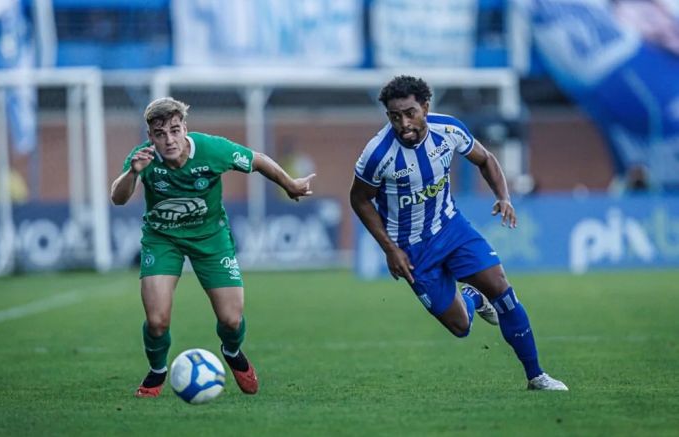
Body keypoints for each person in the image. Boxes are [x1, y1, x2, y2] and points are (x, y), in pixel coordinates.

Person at [350, 75, 567, 391]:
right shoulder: (377, 154)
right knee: (460, 327)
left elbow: (486, 159)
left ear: (425, 106)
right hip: (411, 249)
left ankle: (536, 376)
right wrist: (390, 248)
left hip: (451, 228)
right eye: (395, 116)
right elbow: (359, 199)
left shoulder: (449, 130)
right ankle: (471, 299)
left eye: (410, 113)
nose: (403, 123)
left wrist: (503, 197)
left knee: (502, 290)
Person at [110, 97, 315, 397]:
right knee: (156, 321)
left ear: (185, 129)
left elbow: (256, 159)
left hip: (211, 238)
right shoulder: (144, 158)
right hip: (162, 237)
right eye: (160, 134)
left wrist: (289, 184)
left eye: (175, 131)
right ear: (150, 137)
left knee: (231, 319)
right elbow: (118, 198)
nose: (169, 140)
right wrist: (133, 172)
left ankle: (232, 352)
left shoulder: (211, 150)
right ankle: (157, 371)